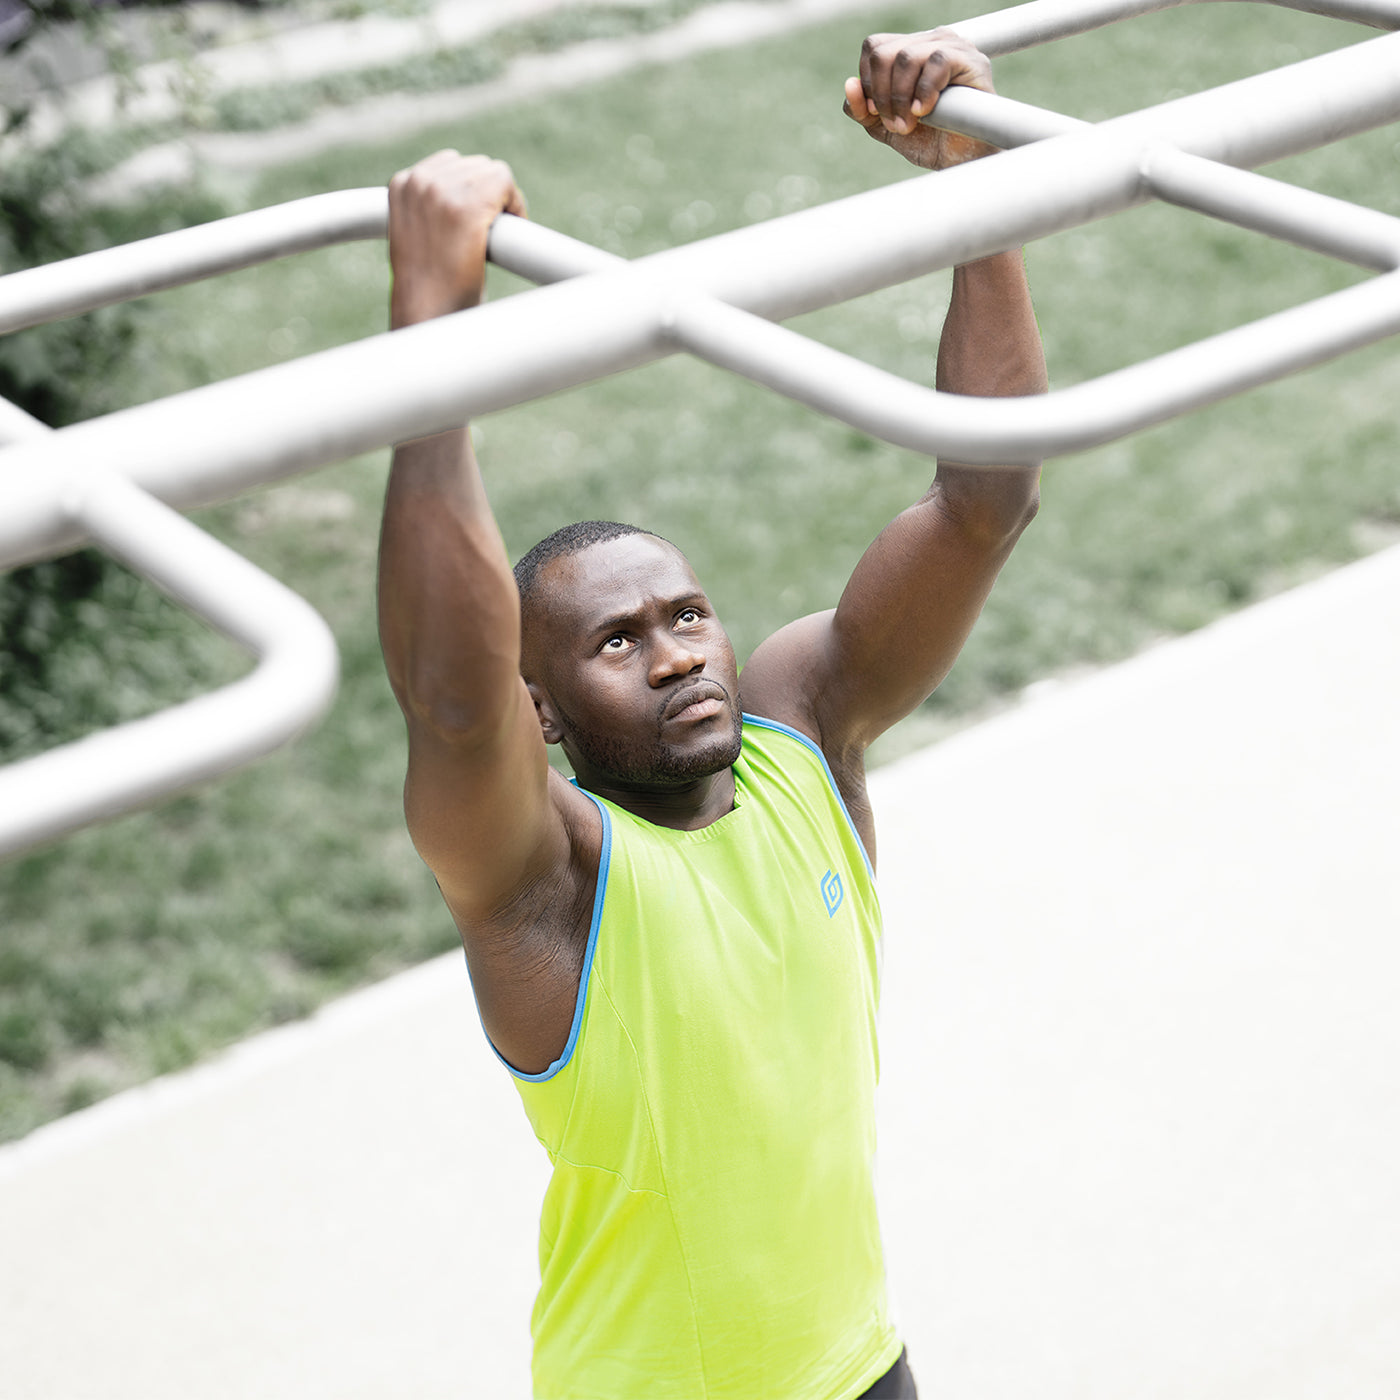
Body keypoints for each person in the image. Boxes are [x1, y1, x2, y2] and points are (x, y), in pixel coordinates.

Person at [377, 28, 1046, 1400]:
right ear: (545, 713)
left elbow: (985, 500)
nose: (676, 655)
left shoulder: (806, 730)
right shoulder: (547, 883)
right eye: (615, 643)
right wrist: (428, 328)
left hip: (864, 1368)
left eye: (685, 616)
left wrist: (976, 187)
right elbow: (451, 707)